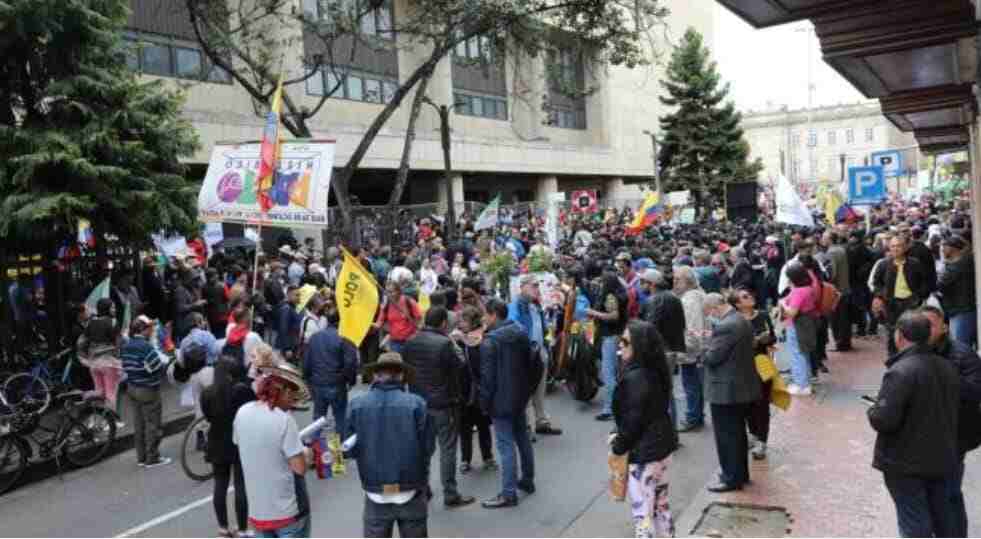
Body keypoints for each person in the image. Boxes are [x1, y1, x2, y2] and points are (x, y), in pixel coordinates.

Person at [867, 311, 960, 538]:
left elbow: (884, 419)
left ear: (900, 336)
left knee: (914, 523)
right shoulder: (946, 366)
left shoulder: (901, 371)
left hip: (906, 462)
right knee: (941, 520)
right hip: (940, 458)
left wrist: (873, 409)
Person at [346, 353, 433, 538]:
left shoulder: (357, 405)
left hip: (374, 490)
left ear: (376, 375)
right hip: (411, 487)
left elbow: (349, 448)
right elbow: (428, 447)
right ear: (401, 376)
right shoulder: (417, 404)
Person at [400, 306, 475, 508]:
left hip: (419, 403)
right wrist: (454, 342)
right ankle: (450, 493)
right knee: (447, 449)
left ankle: (423, 489)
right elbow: (460, 365)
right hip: (444, 404)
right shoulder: (444, 343)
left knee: (424, 449)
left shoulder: (410, 342)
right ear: (443, 323)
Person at [610, 321, 678, 538]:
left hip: (645, 454)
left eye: (625, 341)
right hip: (661, 449)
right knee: (660, 507)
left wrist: (618, 445)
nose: (621, 346)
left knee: (643, 515)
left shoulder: (636, 377)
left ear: (639, 345)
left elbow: (633, 420)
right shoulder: (655, 370)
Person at [921, 306, 981, 537]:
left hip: (955, 436)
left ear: (945, 327)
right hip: (927, 437)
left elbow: (975, 392)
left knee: (949, 492)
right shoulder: (917, 352)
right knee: (936, 493)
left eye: (931, 325)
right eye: (922, 325)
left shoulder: (962, 354)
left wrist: (943, 377)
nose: (926, 330)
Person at [234, 363, 312, 538]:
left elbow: (248, 446)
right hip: (287, 512)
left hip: (257, 512)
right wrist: (307, 454)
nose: (292, 399)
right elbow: (299, 468)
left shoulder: (242, 413)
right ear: (280, 391)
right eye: (290, 393)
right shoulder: (284, 420)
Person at [479, 299, 536, 508]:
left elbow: (487, 379)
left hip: (500, 400)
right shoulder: (519, 332)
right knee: (522, 438)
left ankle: (508, 493)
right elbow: (532, 363)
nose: (484, 318)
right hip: (519, 396)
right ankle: (528, 479)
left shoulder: (490, 341)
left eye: (485, 314)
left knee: (505, 446)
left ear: (494, 314)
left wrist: (484, 404)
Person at [702, 293, 760, 493]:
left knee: (727, 436)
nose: (709, 316)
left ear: (714, 308)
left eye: (708, 312)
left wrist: (704, 344)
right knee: (737, 434)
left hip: (726, 390)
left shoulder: (725, 326)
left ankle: (731, 478)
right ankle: (739, 473)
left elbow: (712, 357)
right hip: (740, 386)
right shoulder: (740, 320)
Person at [201, 358, 256, 538]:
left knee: (220, 484)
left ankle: (223, 528)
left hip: (216, 440)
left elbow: (208, 416)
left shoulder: (207, 393)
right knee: (240, 485)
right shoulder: (241, 392)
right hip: (238, 440)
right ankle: (242, 528)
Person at [508, 274, 562, 435]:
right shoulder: (516, 305)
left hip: (540, 352)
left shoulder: (535, 305)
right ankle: (524, 425)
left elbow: (543, 327)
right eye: (534, 285)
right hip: (527, 354)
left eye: (538, 285)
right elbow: (514, 326)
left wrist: (547, 343)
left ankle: (541, 421)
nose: (537, 288)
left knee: (540, 389)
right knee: (525, 390)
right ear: (522, 287)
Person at [638, 269, 685, 428]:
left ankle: (667, 433)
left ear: (651, 284)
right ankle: (670, 431)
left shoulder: (653, 301)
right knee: (666, 391)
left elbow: (649, 329)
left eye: (643, 282)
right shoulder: (674, 298)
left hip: (660, 352)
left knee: (660, 393)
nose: (641, 285)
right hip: (671, 350)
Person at [121, 315, 170, 468]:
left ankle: (141, 457)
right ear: (143, 330)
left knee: (139, 424)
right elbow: (155, 367)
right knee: (152, 424)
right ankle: (152, 457)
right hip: (148, 389)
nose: (151, 330)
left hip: (132, 387)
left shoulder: (127, 345)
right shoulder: (145, 346)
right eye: (149, 327)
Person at [452, 306, 496, 474]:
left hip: (479, 389)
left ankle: (488, 457)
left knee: (483, 425)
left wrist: (464, 340)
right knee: (465, 427)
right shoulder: (456, 339)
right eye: (460, 321)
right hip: (463, 390)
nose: (460, 324)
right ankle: (465, 459)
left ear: (473, 322)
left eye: (464, 321)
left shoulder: (483, 337)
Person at [733, 289, 776, 460]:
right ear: (737, 304)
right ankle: (753, 434)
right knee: (747, 404)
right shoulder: (735, 320)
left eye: (750, 295)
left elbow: (773, 338)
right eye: (744, 297)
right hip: (742, 367)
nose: (750, 297)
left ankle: (762, 442)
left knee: (762, 404)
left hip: (762, 364)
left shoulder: (763, 315)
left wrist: (767, 339)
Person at [303, 315, 358, 443]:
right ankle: (341, 449)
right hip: (337, 383)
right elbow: (350, 362)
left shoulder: (315, 338)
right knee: (340, 418)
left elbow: (307, 361)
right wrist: (350, 380)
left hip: (318, 382)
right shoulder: (345, 338)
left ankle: (314, 447)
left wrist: (307, 378)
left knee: (318, 418)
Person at [872, 235, 929, 357]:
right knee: (893, 331)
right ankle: (893, 357)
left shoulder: (915, 263)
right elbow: (876, 283)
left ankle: (911, 356)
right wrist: (880, 295)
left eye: (899, 246)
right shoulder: (883, 264)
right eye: (893, 246)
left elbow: (924, 282)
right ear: (889, 248)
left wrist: (919, 296)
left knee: (911, 330)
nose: (896, 249)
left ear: (905, 248)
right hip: (891, 304)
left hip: (911, 302)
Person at [587, 271, 628, 422]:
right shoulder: (620, 293)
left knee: (608, 373)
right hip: (617, 335)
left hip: (610, 337)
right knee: (615, 371)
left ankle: (609, 408)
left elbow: (614, 316)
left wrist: (594, 313)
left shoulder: (611, 296)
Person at [674, 266, 706, 432]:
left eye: (678, 279)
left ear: (687, 281)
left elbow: (693, 328)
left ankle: (693, 417)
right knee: (695, 385)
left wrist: (687, 347)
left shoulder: (690, 299)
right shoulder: (698, 294)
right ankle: (696, 415)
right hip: (697, 349)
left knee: (691, 385)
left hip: (691, 351)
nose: (675, 282)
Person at [781, 261, 819, 395]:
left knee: (797, 354)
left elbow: (792, 312)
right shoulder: (809, 287)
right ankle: (805, 381)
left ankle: (801, 385)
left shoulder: (798, 291)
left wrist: (783, 305)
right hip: (807, 323)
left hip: (797, 325)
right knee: (804, 352)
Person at [79, 298, 122, 413]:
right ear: (106, 309)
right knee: (110, 393)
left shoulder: (91, 323)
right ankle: (112, 421)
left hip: (94, 363)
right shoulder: (113, 322)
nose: (114, 309)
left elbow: (81, 342)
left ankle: (93, 411)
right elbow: (118, 344)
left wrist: (83, 358)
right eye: (112, 307)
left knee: (99, 392)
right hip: (109, 362)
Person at [937, 235, 976, 348]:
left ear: (953, 248)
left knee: (960, 347)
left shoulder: (958, 265)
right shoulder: (962, 261)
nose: (942, 250)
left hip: (962, 310)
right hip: (959, 309)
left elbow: (940, 284)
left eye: (944, 247)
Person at [374, 280, 421, 354]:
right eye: (387, 292)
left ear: (398, 291)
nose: (389, 294)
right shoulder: (386, 305)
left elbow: (419, 320)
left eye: (391, 292)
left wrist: (414, 336)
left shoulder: (408, 302)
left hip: (410, 341)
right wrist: (373, 325)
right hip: (395, 342)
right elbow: (380, 322)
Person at [824, 231, 852, 352]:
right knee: (844, 318)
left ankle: (840, 343)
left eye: (824, 237)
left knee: (837, 319)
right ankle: (845, 342)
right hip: (845, 288)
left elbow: (832, 273)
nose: (822, 239)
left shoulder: (831, 252)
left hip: (837, 290)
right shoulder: (841, 249)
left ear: (830, 239)